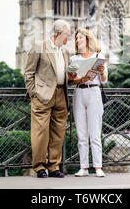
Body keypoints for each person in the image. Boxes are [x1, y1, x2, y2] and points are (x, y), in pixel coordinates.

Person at [24, 20, 75, 178]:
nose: (69, 37)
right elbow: (28, 72)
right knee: (40, 133)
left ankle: (54, 166)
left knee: (58, 133)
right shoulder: (39, 46)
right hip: (43, 96)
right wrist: (34, 93)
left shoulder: (65, 51)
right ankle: (39, 166)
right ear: (59, 33)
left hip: (61, 94)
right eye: (67, 34)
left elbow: (64, 75)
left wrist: (72, 77)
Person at [69, 28, 108, 177]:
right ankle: (83, 167)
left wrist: (102, 71)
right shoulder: (74, 59)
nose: (77, 41)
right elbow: (71, 81)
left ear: (87, 40)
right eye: (76, 38)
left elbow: (104, 79)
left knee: (95, 131)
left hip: (94, 91)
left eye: (79, 38)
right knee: (81, 133)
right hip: (79, 92)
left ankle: (98, 167)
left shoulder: (99, 56)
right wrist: (74, 77)